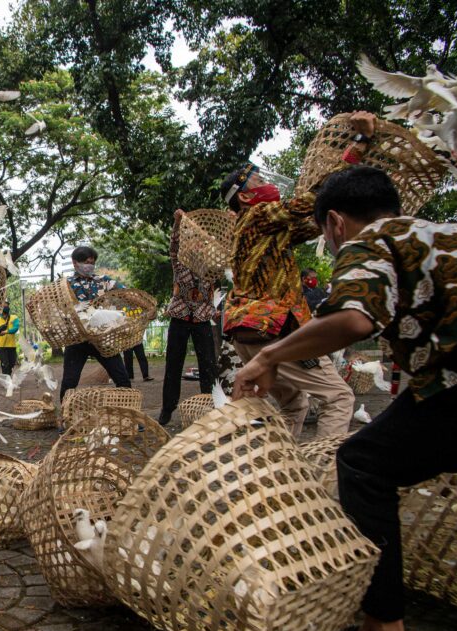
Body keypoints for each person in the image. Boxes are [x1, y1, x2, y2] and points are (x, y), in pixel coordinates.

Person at [233, 165, 457, 631]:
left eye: (322, 235)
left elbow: (354, 319)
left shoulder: (375, 240)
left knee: (362, 462)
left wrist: (270, 355)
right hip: (448, 383)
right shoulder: (445, 234)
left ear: (335, 223)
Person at [219, 113, 378, 438]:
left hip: (248, 332)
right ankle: (323, 480)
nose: (267, 182)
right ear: (246, 197)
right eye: (258, 180)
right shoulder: (259, 215)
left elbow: (312, 221)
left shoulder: (257, 228)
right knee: (338, 396)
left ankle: (283, 479)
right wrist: (358, 147)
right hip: (273, 329)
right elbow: (313, 199)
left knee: (294, 405)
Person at [158, 210, 218, 425]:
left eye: (201, 244)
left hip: (202, 318)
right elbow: (173, 245)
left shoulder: (212, 267)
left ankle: (210, 407)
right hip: (180, 317)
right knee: (173, 364)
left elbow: (230, 252)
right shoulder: (179, 262)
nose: (197, 246)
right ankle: (167, 409)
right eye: (193, 243)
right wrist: (176, 223)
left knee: (208, 365)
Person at [59, 246, 131, 401]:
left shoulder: (103, 281)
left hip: (103, 339)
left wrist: (143, 305)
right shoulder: (64, 285)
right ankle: (65, 419)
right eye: (85, 262)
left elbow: (126, 293)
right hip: (77, 339)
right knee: (69, 382)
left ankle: (130, 414)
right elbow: (55, 306)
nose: (89, 265)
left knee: (122, 378)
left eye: (92, 262)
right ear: (75, 263)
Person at [0, 302, 20, 375]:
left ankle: (8, 375)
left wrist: (6, 332)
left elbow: (16, 328)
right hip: (2, 346)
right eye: (2, 314)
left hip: (12, 345)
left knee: (12, 363)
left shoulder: (14, 318)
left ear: (8, 313)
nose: (4, 316)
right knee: (5, 363)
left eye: (5, 314)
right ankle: (7, 379)